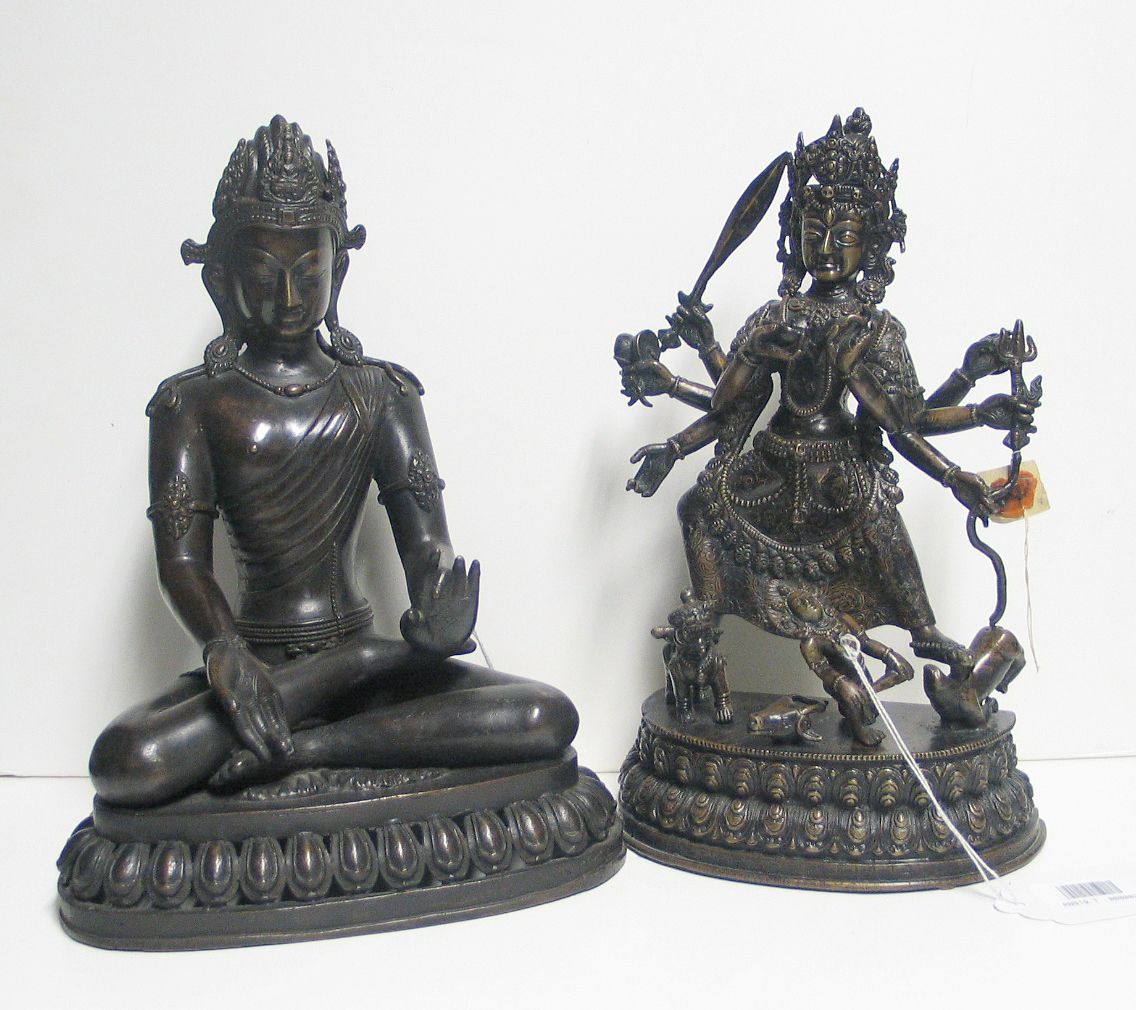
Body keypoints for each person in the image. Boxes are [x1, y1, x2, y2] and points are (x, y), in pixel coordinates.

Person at [89, 116, 576, 808]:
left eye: (309, 272)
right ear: (222, 279)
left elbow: (428, 544)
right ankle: (345, 685)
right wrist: (224, 651)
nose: (289, 298)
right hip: (256, 672)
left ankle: (309, 748)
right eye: (264, 275)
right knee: (127, 759)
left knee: (542, 716)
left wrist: (437, 601)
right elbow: (183, 564)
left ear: (337, 271)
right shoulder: (190, 405)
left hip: (366, 669)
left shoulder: (383, 392)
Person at [616, 109, 1036, 738]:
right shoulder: (773, 317)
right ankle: (702, 635)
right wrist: (677, 443)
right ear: (794, 238)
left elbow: (906, 422)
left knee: (903, 581)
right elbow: (732, 407)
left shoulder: (873, 330)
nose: (828, 246)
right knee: (698, 509)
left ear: (873, 243)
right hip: (769, 470)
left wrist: (968, 433)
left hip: (843, 483)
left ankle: (947, 655)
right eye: (814, 231)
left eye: (845, 232)